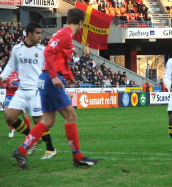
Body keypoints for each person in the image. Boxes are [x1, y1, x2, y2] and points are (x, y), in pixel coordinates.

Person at [12, 8, 98, 170]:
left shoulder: (62, 33)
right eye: (82, 24)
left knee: (48, 121)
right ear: (81, 23)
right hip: (51, 80)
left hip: (46, 79)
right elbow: (49, 52)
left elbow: (59, 58)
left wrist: (68, 75)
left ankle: (22, 150)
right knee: (71, 116)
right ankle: (77, 157)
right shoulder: (65, 34)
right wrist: (54, 75)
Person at [0, 23, 56, 160]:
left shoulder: (42, 50)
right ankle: (32, 137)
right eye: (37, 33)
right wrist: (2, 76)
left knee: (38, 120)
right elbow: (11, 65)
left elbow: (50, 67)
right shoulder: (17, 49)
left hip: (36, 90)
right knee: (10, 117)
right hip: (21, 90)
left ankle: (50, 149)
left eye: (40, 33)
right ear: (29, 33)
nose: (40, 36)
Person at [0, 70, 31, 138]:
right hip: (9, 96)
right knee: (7, 114)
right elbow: (1, 81)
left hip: (19, 96)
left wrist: (14, 82)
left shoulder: (19, 72)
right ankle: (12, 128)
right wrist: (3, 85)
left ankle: (28, 132)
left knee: (24, 115)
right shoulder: (6, 72)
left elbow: (23, 85)